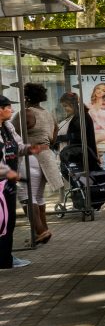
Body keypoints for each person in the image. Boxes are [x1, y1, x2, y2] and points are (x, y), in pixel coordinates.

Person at [0, 97, 46, 269]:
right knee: (2, 222)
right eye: (8, 107)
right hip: (2, 183)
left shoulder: (8, 126)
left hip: (8, 184)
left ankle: (6, 257)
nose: (11, 111)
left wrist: (30, 149)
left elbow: (18, 147)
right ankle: (4, 260)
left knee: (9, 221)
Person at [15, 83, 60, 245]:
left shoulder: (25, 114)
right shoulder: (48, 114)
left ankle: (40, 231)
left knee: (26, 196)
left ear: (26, 97)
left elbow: (13, 136)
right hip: (47, 157)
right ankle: (43, 231)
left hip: (30, 158)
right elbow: (54, 138)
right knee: (39, 196)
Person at [55, 92, 99, 171]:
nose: (65, 109)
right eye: (63, 106)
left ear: (73, 104)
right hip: (73, 155)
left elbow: (80, 135)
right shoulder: (74, 116)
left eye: (66, 106)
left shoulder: (82, 116)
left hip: (79, 157)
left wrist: (60, 138)